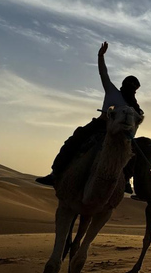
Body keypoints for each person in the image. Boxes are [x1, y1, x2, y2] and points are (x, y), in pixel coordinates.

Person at [36, 42, 143, 193]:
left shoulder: (135, 107)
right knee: (76, 138)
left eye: (133, 86)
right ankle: (56, 173)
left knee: (133, 153)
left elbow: (137, 122)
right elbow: (103, 73)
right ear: (124, 84)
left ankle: (125, 181)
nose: (130, 87)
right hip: (100, 125)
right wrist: (100, 56)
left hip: (120, 132)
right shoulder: (112, 92)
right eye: (129, 84)